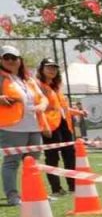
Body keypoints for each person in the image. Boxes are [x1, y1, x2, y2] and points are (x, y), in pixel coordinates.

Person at [0, 45, 49, 207]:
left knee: (33, 162)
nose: (10, 61)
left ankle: (35, 194)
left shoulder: (28, 79)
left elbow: (43, 98)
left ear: (20, 60)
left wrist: (42, 105)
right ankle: (13, 197)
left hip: (34, 126)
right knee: (12, 162)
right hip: (11, 128)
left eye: (14, 58)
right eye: (6, 58)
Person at [35, 59, 82, 197]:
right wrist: (44, 126)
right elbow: (40, 108)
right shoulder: (38, 85)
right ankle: (56, 189)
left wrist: (78, 112)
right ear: (42, 69)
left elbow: (63, 108)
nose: (52, 70)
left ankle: (73, 186)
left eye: (55, 68)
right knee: (52, 157)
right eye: (48, 67)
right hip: (50, 126)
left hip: (64, 125)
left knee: (70, 155)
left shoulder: (56, 87)